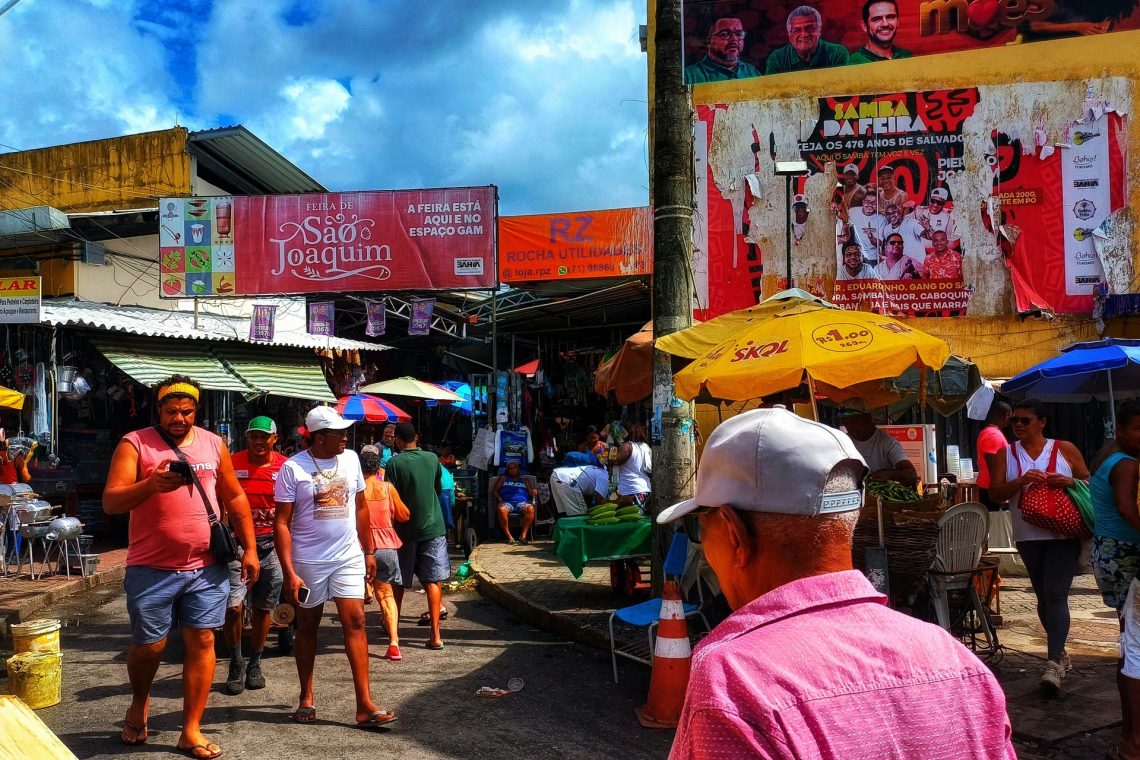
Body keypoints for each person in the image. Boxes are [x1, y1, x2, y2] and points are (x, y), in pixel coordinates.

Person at [658, 407, 1016, 759]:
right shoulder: (957, 661)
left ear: (734, 533)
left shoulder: (735, 680)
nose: (703, 546)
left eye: (699, 527)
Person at [103, 375, 258, 759]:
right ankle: (139, 703)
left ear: (196, 410)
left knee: (204, 640)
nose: (180, 418)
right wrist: (150, 486)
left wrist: (251, 549)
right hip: (151, 566)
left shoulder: (213, 443)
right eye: (172, 411)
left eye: (187, 411)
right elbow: (111, 502)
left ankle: (190, 730)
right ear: (160, 410)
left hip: (207, 566)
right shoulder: (134, 443)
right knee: (150, 646)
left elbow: (234, 496)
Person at [273, 406, 394, 728]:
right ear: (318, 436)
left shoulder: (352, 459)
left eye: (344, 432)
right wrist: (289, 571)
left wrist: (369, 550)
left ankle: (365, 704)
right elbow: (281, 523)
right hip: (308, 560)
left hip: (348, 556)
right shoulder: (292, 468)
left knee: (355, 621)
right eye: (338, 433)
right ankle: (306, 696)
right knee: (308, 628)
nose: (345, 437)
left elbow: (361, 506)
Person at [989, 398, 1090, 696]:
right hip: (1027, 534)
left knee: (1056, 594)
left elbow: (1087, 482)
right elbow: (995, 493)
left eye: (1025, 420)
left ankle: (1052, 664)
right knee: (1043, 597)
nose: (1018, 425)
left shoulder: (1065, 449)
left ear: (1042, 422)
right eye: (1015, 420)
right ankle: (1059, 653)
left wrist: (1067, 481)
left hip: (1064, 533)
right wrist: (1021, 481)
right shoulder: (1005, 454)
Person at [1089, 402, 1140, 757]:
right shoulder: (1127, 463)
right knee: (1133, 646)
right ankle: (1132, 736)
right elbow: (1126, 506)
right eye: (1138, 428)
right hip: (1125, 552)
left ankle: (1129, 730)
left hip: (1108, 549)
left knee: (1130, 643)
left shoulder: (1108, 454)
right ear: (1120, 429)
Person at [222, 416, 287, 696]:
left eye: (264, 437)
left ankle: (255, 662)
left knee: (263, 609)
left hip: (271, 547)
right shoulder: (232, 463)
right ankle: (236, 662)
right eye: (253, 437)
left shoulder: (285, 467)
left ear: (274, 438)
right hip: (236, 547)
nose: (258, 442)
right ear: (246, 438)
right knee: (233, 607)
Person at [385, 422, 450, 650]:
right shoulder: (432, 459)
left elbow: (390, 498)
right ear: (417, 437)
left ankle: (393, 630)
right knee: (433, 581)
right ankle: (435, 635)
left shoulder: (393, 463)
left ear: (398, 440)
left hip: (404, 530)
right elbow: (438, 489)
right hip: (433, 527)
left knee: (399, 582)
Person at [360, 445, 411, 661]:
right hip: (387, 547)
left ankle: (356, 641)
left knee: (353, 598)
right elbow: (404, 515)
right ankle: (393, 643)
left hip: (361, 548)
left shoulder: (356, 489)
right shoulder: (387, 488)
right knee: (387, 596)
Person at [840, 410, 919, 486]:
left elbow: (911, 475)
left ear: (867, 418)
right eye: (846, 423)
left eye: (853, 422)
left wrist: (888, 474)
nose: (849, 427)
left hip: (879, 496)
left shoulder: (887, 443)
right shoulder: (843, 441)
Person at [765, 5, 849, 75]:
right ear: (789, 35)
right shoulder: (777, 58)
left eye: (810, 28)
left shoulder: (837, 53)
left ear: (820, 31)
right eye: (797, 30)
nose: (804, 34)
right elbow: (772, 93)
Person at [684, 16, 762, 84]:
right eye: (725, 34)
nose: (734, 39)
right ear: (708, 41)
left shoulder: (751, 71)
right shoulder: (688, 76)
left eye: (739, 34)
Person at [848, 0, 912, 64]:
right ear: (864, 26)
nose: (885, 24)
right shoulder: (852, 63)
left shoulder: (907, 57)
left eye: (890, 17)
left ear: (898, 21)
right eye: (877, 19)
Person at [549, 451, 612, 516]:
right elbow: (600, 500)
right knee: (580, 515)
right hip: (568, 480)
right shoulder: (604, 475)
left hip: (555, 474)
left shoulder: (590, 468)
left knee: (563, 513)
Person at [976, 400, 1012, 509]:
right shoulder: (993, 435)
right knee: (994, 524)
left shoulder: (990, 432)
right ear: (1006, 415)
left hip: (989, 489)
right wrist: (1000, 494)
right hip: (990, 490)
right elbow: (993, 465)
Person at [493, 460, 537, 544]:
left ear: (518, 469)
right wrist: (498, 497)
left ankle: (523, 536)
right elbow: (494, 491)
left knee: (530, 508)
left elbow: (531, 492)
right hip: (507, 502)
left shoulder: (524, 480)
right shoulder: (503, 478)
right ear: (507, 470)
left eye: (514, 468)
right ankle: (509, 536)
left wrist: (534, 491)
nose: (512, 470)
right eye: (510, 468)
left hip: (522, 503)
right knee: (501, 509)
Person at [615, 423, 652, 512]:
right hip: (644, 489)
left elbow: (615, 461)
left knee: (631, 521)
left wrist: (610, 450)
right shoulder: (645, 447)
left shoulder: (627, 447)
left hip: (631, 490)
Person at [847, 189, 885, 263]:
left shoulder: (882, 219)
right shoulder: (852, 211)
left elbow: (879, 243)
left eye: (874, 203)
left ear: (877, 204)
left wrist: (870, 236)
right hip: (856, 255)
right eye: (867, 202)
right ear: (863, 202)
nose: (870, 205)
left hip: (873, 257)